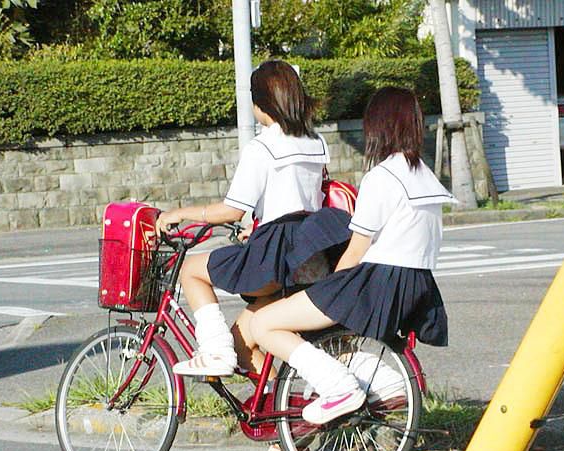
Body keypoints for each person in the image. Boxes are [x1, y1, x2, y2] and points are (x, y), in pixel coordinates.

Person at [250, 86, 455, 430]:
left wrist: (329, 289)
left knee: (264, 323)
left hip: (377, 283)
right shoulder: (425, 175)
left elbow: (357, 250)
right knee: (316, 328)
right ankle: (378, 382)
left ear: (379, 126)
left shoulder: (383, 177)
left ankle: (339, 388)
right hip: (416, 285)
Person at [155, 60, 350, 381]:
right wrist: (256, 227)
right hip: (308, 254)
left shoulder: (262, 147)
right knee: (242, 344)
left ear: (261, 104)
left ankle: (214, 352)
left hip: (272, 256)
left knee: (191, 270)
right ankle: (275, 403)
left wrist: (180, 213)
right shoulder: (315, 142)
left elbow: (231, 210)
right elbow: (300, 201)